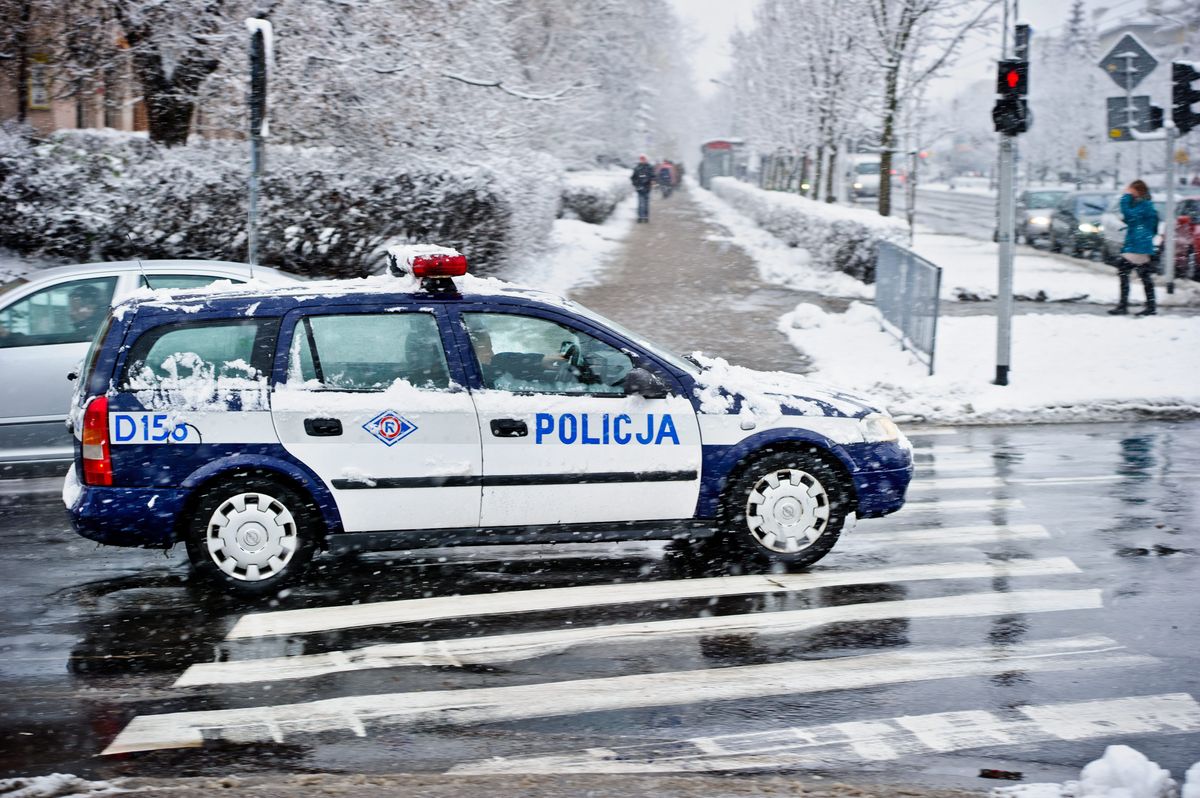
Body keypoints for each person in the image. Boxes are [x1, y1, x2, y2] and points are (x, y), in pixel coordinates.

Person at [1108, 180, 1159, 316]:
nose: (1128, 190)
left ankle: (1125, 306)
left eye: (1131, 189)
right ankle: (1150, 306)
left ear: (1138, 191)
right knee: (1143, 275)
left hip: (1138, 245)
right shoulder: (1144, 204)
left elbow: (1129, 215)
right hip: (1138, 244)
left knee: (1124, 270)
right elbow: (1152, 227)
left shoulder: (1145, 205)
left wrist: (1125, 197)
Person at [630, 155, 655, 223]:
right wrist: (636, 184)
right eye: (641, 159)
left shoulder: (649, 167)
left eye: (644, 159)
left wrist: (652, 181)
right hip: (639, 188)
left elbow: (653, 176)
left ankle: (646, 217)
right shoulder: (637, 168)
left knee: (646, 203)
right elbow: (633, 177)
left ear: (646, 159)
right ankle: (640, 217)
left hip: (647, 188)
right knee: (640, 203)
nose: (642, 160)